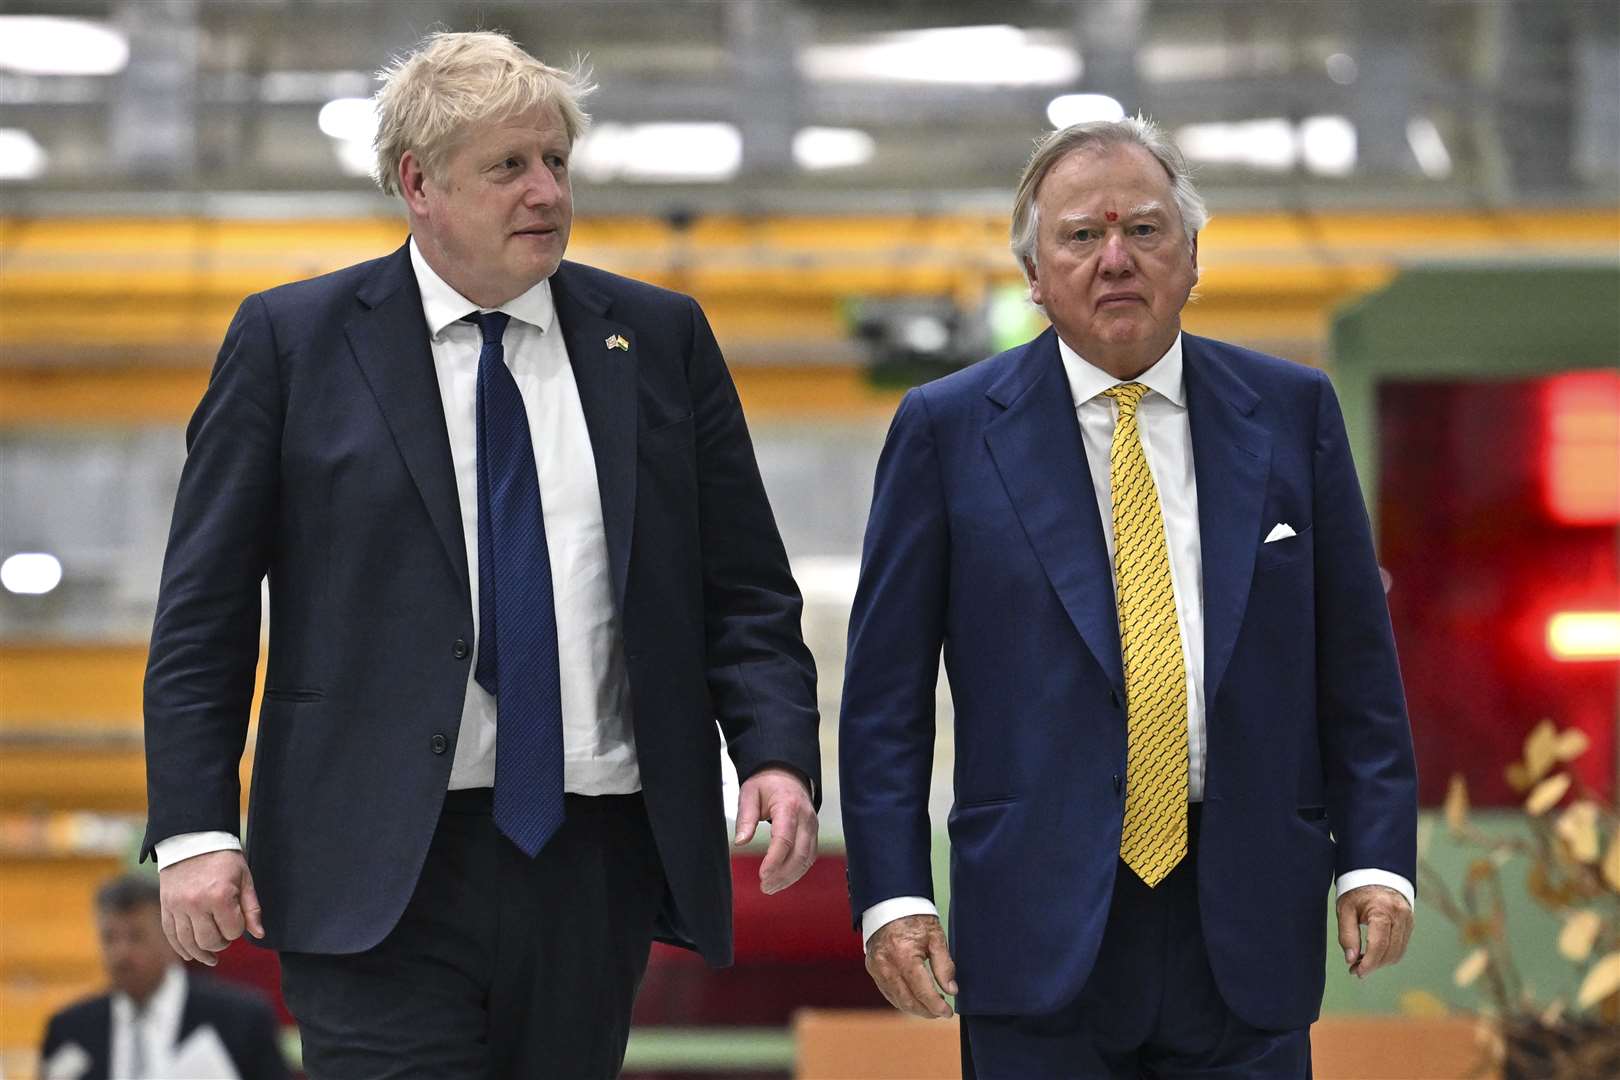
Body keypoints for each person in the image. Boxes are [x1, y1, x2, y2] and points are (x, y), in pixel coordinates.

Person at [141, 30, 820, 1078]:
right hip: (369, 857)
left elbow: (744, 589)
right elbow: (204, 610)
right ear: (419, 183)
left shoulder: (659, 339)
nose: (546, 191)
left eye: (556, 162)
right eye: (510, 167)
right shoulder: (293, 342)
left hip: (593, 854)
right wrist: (194, 828)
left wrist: (774, 751)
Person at [839, 117, 1417, 1078]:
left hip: (1245, 917)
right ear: (1033, 273)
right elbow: (885, 703)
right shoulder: (944, 431)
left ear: (1193, 256)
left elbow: (1356, 662)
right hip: (1036, 923)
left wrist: (1375, 857)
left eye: (1145, 231)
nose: (1116, 259)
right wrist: (894, 896)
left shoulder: (1292, 413)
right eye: (1080, 236)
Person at [39, 874, 289, 1080]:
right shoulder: (69, 1029)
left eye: (136, 937)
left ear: (171, 938)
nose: (121, 953)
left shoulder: (241, 1020)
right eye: (110, 938)